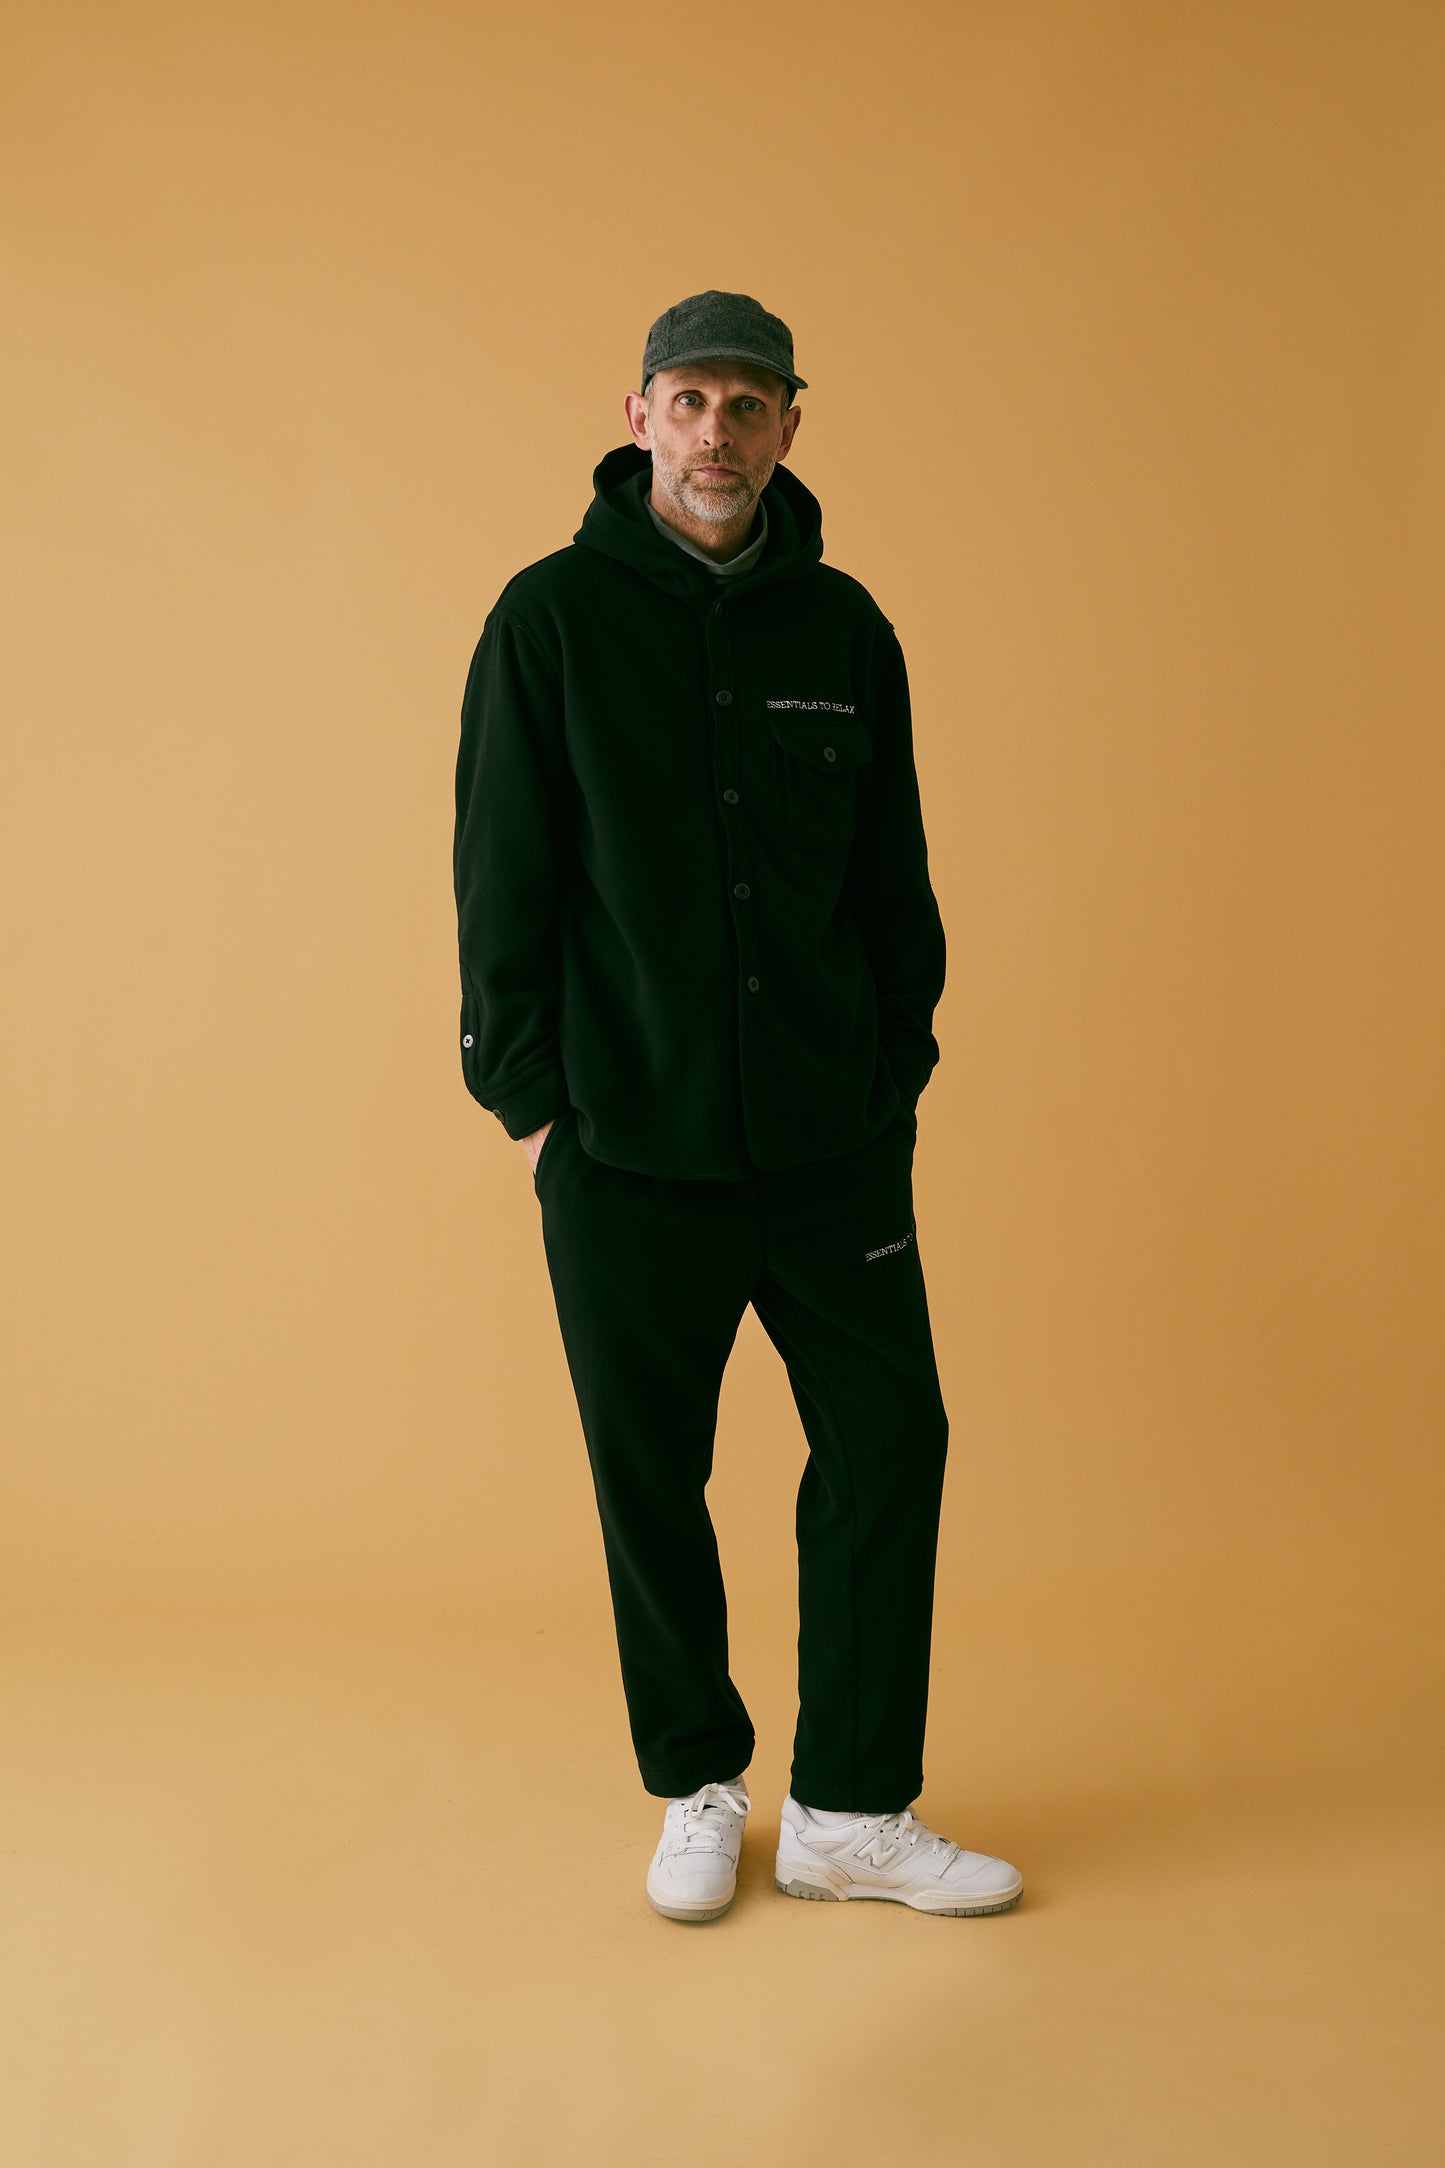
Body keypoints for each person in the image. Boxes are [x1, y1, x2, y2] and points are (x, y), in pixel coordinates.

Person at [453, 289, 1022, 1923]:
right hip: (624, 1151)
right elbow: (500, 874)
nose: (718, 433)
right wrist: (534, 1108)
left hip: (830, 1146)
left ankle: (849, 1808)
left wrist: (892, 1069)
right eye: (690, 400)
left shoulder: (843, 629)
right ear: (639, 417)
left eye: (748, 405)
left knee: (890, 1446)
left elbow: (892, 879)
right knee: (651, 1478)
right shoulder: (548, 620)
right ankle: (696, 1782)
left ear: (788, 429)